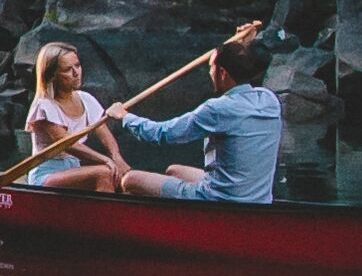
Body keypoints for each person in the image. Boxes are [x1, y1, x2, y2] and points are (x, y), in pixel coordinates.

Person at [113, 26, 282, 202]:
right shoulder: (270, 100)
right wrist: (242, 43)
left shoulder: (217, 109)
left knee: (130, 180)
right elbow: (244, 64)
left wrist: (124, 117)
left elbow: (162, 134)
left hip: (219, 200)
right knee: (174, 170)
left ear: (223, 73)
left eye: (211, 67)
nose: (210, 73)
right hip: (259, 200)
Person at [20, 42, 129, 192]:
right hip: (47, 175)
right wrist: (105, 160)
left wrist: (116, 157)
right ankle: (106, 215)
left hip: (73, 171)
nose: (76, 73)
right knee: (105, 173)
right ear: (52, 75)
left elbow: (103, 131)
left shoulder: (86, 99)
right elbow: (67, 144)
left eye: (77, 66)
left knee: (124, 177)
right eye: (67, 70)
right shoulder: (44, 106)